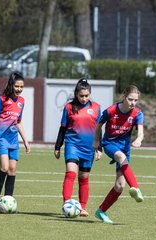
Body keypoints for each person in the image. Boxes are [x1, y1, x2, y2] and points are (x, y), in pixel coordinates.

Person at [93, 85, 144, 224]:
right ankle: (136, 188)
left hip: (125, 148)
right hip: (110, 145)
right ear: (124, 96)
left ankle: (101, 211)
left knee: (120, 185)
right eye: (130, 99)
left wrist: (139, 139)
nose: (133, 103)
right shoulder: (111, 111)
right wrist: (96, 144)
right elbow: (98, 125)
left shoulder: (137, 113)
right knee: (121, 157)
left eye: (135, 100)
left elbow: (140, 130)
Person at [53, 78, 102, 217]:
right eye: (81, 96)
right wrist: (58, 146)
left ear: (90, 94)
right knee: (71, 173)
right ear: (76, 94)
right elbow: (62, 128)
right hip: (72, 144)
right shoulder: (69, 107)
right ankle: (67, 203)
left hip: (89, 147)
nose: (84, 98)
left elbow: (99, 130)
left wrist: (99, 148)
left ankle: (83, 207)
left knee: (84, 177)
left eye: (87, 96)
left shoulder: (97, 107)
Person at [0, 71, 31, 213]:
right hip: (1, 138)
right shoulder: (0, 100)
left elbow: (18, 122)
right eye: (17, 86)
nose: (19, 89)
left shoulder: (21, 101)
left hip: (13, 140)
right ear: (11, 85)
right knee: (4, 168)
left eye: (21, 87)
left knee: (12, 170)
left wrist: (25, 141)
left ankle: (8, 202)